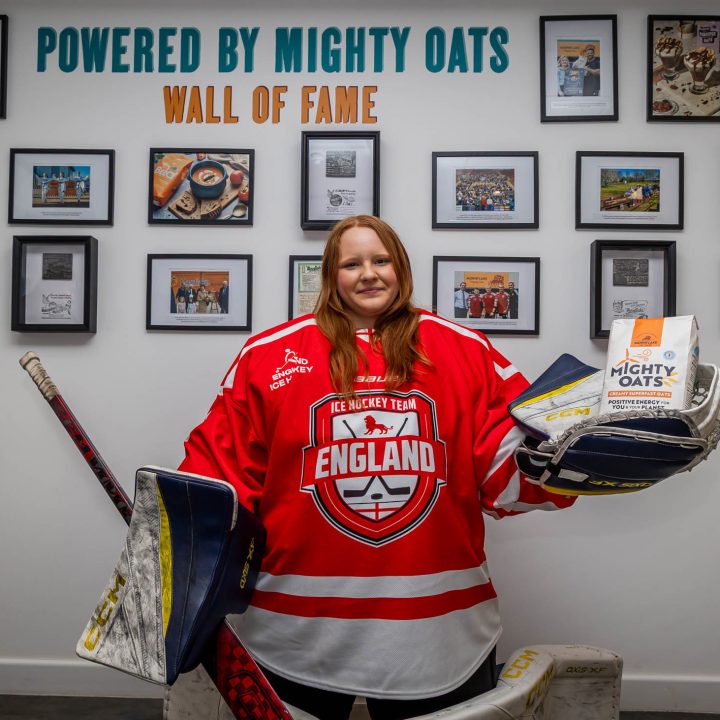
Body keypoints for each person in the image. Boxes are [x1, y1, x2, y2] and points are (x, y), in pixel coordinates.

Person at [178, 215, 574, 720]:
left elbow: (507, 464)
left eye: (381, 260)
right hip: (296, 627)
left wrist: (574, 455)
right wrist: (180, 528)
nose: (368, 273)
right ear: (331, 274)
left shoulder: (464, 348)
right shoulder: (267, 355)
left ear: (400, 268)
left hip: (438, 630)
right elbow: (221, 470)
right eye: (352, 264)